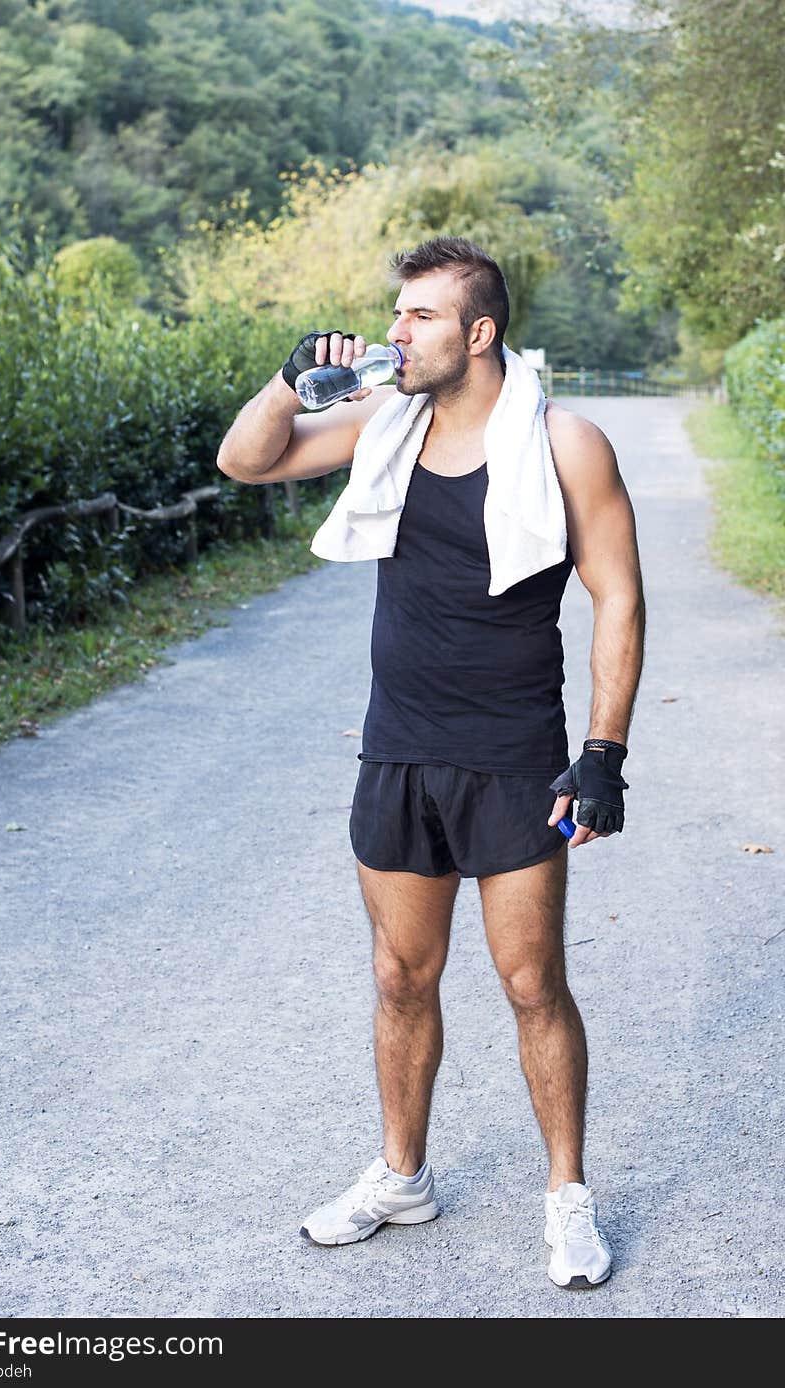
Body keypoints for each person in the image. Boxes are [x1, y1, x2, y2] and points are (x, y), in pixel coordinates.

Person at [216, 236, 645, 1290]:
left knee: (532, 981)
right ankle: (401, 1174)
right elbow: (246, 458)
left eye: (419, 317)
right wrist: (286, 377)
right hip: (397, 747)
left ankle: (566, 1197)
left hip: (510, 758)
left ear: (480, 333)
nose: (394, 332)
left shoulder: (565, 443)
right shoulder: (380, 421)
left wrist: (601, 755)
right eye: (395, 313)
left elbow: (619, 599)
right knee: (400, 976)